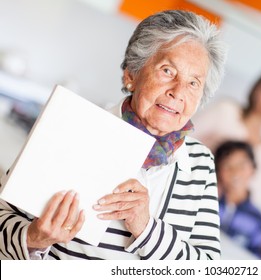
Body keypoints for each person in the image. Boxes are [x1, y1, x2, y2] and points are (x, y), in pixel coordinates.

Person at [0, 10, 227, 260]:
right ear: (132, 74)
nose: (178, 92)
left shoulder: (199, 162)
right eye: (167, 71)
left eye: (193, 83)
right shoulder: (74, 127)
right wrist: (33, 238)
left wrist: (147, 229)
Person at [191, 67, 261, 215]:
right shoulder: (225, 111)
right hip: (187, 191)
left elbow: (254, 197)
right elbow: (180, 137)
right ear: (256, 89)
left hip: (215, 215)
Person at [215, 141, 261, 258]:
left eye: (242, 165)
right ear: (218, 170)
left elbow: (255, 255)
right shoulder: (206, 202)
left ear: (253, 168)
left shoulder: (256, 218)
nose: (235, 172)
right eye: (227, 166)